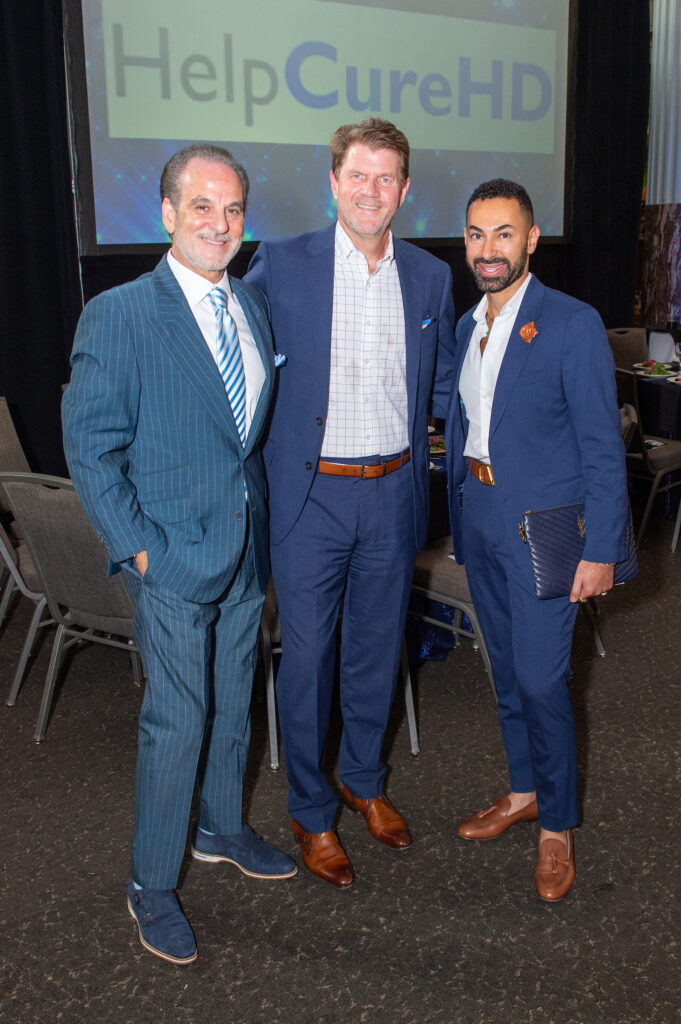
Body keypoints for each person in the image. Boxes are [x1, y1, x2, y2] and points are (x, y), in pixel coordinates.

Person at [62, 144, 297, 965]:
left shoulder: (252, 308)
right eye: (201, 206)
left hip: (241, 551)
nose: (219, 224)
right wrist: (140, 553)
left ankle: (221, 827)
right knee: (178, 720)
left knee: (236, 703)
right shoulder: (121, 313)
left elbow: (241, 441)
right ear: (166, 214)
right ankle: (151, 883)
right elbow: (89, 448)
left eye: (232, 209)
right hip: (170, 559)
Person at [245, 118, 457, 888]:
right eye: (357, 176)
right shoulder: (281, 264)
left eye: (387, 178)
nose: (372, 191)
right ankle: (309, 810)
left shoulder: (431, 277)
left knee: (375, 653)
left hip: (394, 492)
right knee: (306, 662)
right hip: (311, 499)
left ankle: (362, 782)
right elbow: (243, 374)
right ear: (332, 182)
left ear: (404, 189)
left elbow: (440, 389)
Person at [444, 178, 629, 901]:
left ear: (530, 240)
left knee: (542, 680)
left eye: (502, 233)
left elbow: (600, 446)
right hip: (482, 518)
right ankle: (522, 790)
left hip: (548, 531)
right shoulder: (468, 326)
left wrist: (602, 548)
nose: (487, 249)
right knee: (504, 670)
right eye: (475, 234)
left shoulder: (570, 321)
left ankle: (555, 828)